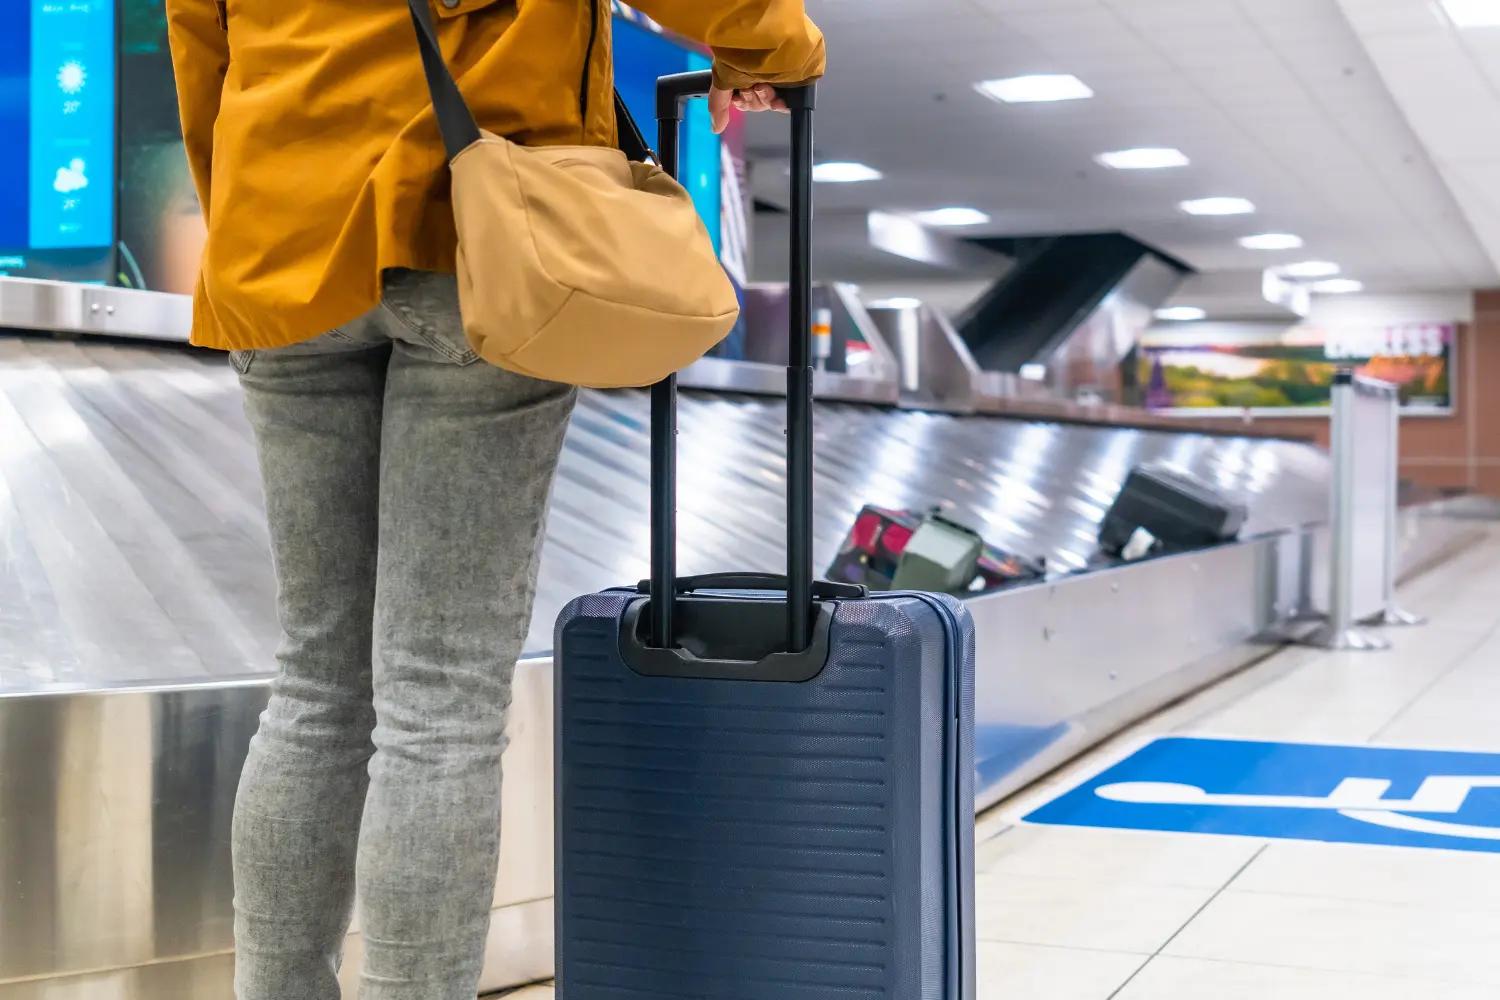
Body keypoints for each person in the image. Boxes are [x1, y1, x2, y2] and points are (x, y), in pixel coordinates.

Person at [163, 1, 825, 997]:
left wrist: (247, 223)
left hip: (281, 247)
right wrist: (780, 48)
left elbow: (199, 42)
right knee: (439, 698)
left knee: (314, 684)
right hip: (477, 226)